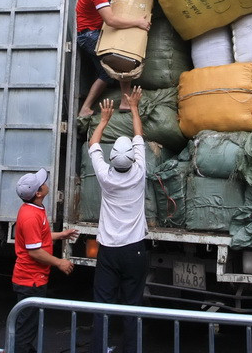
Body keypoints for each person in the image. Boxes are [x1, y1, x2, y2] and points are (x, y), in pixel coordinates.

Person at [88, 88, 148, 353]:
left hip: (109, 251)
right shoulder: (139, 173)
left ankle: (100, 348)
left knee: (102, 303)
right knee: (132, 304)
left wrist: (103, 120)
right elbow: (139, 136)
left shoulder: (105, 177)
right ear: (134, 159)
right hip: (134, 248)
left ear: (111, 159)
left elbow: (93, 146)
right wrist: (134, 107)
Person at [76, 0, 150, 117]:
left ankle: (91, 107)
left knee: (109, 70)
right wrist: (138, 22)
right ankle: (120, 102)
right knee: (121, 55)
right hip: (89, 35)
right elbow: (111, 21)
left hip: (91, 29)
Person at [12, 168, 78, 353]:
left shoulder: (33, 209)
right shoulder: (31, 216)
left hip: (33, 278)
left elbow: (39, 237)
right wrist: (59, 262)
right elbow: (35, 251)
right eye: (43, 183)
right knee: (25, 330)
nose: (46, 183)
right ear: (38, 193)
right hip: (30, 280)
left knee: (28, 326)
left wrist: (61, 235)